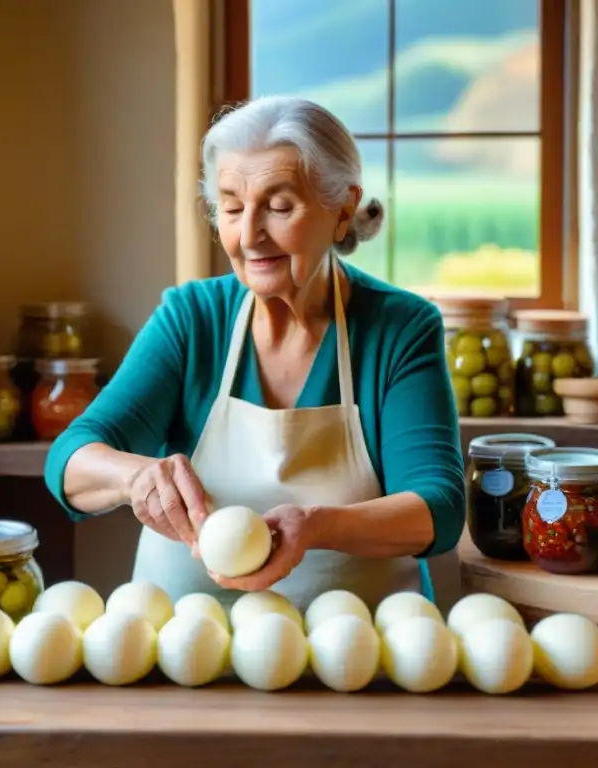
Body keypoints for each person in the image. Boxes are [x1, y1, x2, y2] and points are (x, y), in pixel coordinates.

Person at [44, 95, 466, 612]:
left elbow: (438, 507)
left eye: (279, 207)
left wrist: (315, 526)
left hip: (358, 656)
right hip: (185, 649)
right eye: (232, 208)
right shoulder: (192, 319)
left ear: (343, 209)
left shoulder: (399, 329)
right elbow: (71, 458)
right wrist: (135, 477)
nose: (248, 237)